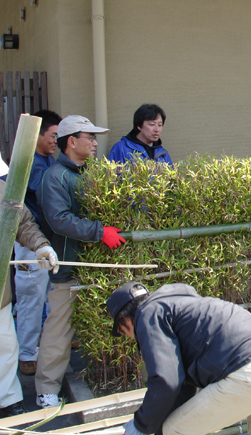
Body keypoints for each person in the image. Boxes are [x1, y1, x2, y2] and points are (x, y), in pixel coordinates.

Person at [106, 282, 251, 435]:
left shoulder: (147, 315)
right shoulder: (180, 304)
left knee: (172, 430)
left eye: (124, 333)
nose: (131, 338)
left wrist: (141, 425)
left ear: (125, 321)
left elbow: (166, 382)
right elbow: (182, 387)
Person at [35, 115, 126, 408]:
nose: (95, 143)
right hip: (69, 265)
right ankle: (46, 390)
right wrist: (100, 232)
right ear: (72, 141)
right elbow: (59, 220)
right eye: (90, 137)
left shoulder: (90, 174)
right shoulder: (55, 177)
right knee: (59, 329)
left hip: (98, 266)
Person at [0, 178, 59, 416]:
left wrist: (40, 246)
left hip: (0, 290)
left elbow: (21, 222)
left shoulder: (2, 189)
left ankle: (8, 398)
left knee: (6, 344)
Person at [13, 109, 62, 377]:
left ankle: (36, 347)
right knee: (31, 298)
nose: (56, 140)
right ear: (39, 134)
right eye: (53, 135)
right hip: (29, 243)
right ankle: (26, 355)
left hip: (44, 242)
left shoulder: (47, 159)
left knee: (43, 297)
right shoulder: (30, 162)